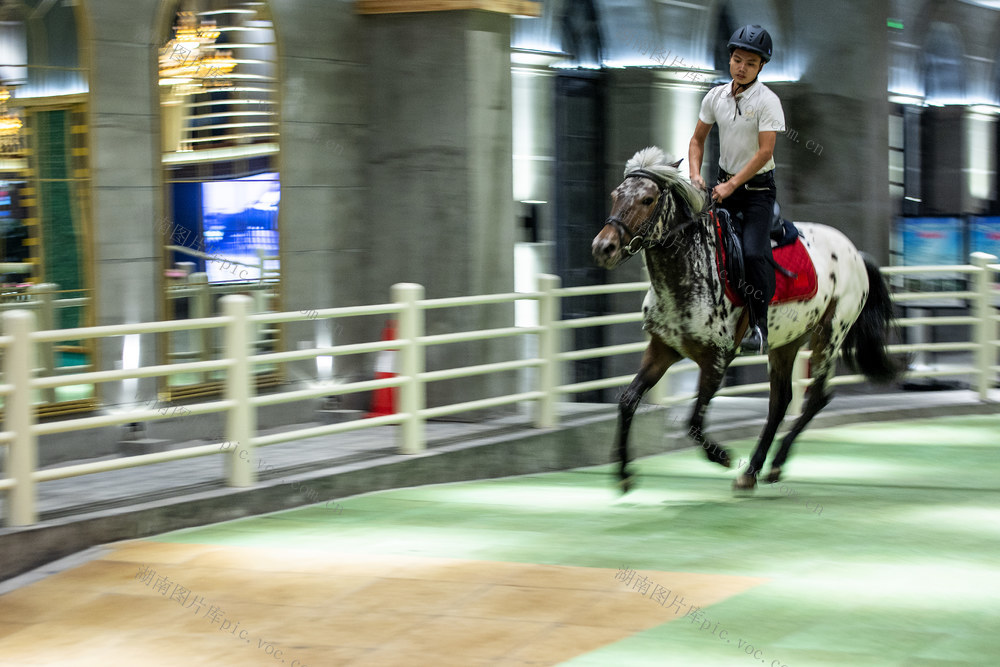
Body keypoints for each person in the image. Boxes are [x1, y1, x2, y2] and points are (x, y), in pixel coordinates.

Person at [688, 24, 785, 355]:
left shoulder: (768, 102)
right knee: (694, 242)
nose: (741, 67)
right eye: (737, 60)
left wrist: (731, 185)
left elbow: (765, 153)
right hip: (722, 186)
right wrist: (694, 174)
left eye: (750, 63)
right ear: (730, 59)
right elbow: (697, 140)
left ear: (761, 67)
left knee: (754, 252)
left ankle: (760, 326)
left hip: (757, 192)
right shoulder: (714, 97)